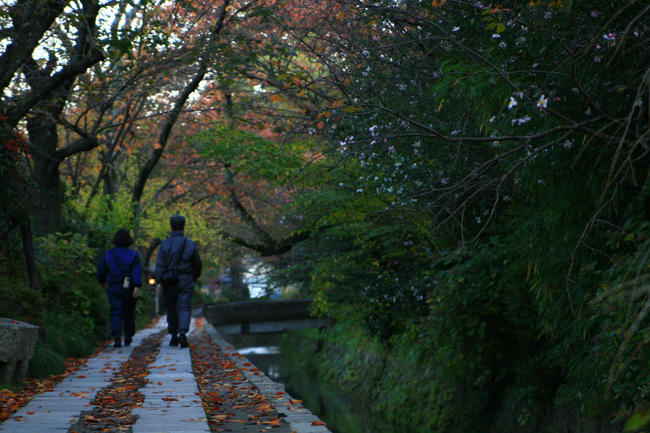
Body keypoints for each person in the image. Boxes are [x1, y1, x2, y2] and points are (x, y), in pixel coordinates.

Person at [155, 214, 202, 348]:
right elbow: (197, 264)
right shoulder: (189, 243)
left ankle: (173, 335)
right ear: (184, 226)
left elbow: (160, 264)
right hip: (185, 279)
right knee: (184, 306)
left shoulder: (165, 244)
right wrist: (194, 277)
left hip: (169, 280)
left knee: (171, 307)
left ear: (171, 226)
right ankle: (183, 332)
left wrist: (159, 281)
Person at [97, 229, 142, 348]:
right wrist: (137, 286)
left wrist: (102, 282)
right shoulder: (133, 255)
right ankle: (128, 336)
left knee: (115, 311)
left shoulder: (108, 254)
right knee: (129, 312)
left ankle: (116, 336)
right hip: (129, 287)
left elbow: (101, 271)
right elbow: (136, 272)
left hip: (114, 286)